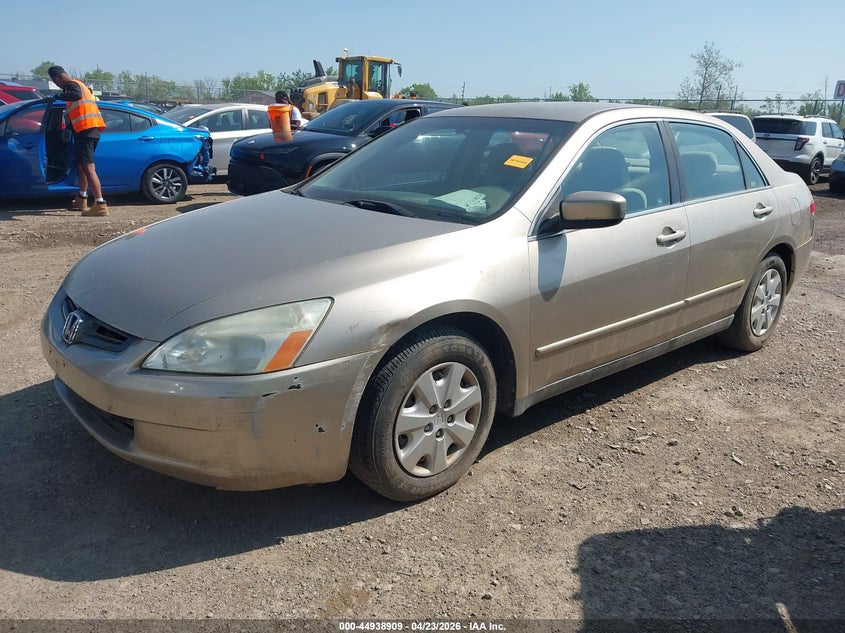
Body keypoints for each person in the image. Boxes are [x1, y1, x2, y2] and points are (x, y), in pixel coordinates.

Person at [48, 65, 108, 217]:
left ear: (57, 79)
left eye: (56, 83)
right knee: (82, 166)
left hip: (86, 130)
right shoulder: (80, 85)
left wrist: (58, 97)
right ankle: (82, 198)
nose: (57, 86)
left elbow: (75, 94)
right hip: (88, 130)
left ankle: (100, 204)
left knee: (89, 168)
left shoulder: (72, 86)